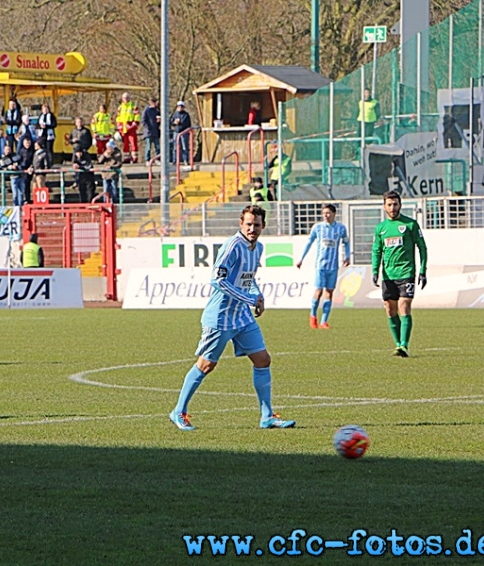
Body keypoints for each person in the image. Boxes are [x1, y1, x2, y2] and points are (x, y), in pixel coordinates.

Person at [169, 205, 295, 431]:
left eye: (256, 225)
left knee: (262, 359)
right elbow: (218, 279)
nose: (252, 229)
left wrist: (257, 296)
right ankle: (179, 411)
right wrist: (248, 298)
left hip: (242, 318)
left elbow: (249, 278)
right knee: (206, 365)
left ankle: (267, 416)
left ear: (263, 226)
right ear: (241, 224)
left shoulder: (258, 248)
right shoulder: (233, 246)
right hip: (220, 317)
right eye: (248, 224)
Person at [372, 190, 428, 357]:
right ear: (384, 206)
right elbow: (377, 251)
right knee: (390, 309)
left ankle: (404, 345)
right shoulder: (380, 228)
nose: (392, 207)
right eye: (389, 204)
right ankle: (397, 344)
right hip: (388, 275)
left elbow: (422, 247)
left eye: (395, 204)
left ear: (400, 205)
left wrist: (423, 271)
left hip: (406, 272)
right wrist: (375, 271)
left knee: (404, 306)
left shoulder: (410, 225)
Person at [295, 204, 350, 329]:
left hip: (333, 266)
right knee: (318, 292)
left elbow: (346, 243)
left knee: (329, 293)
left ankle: (324, 321)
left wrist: (347, 256)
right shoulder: (318, 228)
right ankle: (313, 315)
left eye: (328, 213)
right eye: (324, 213)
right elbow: (309, 242)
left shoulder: (341, 228)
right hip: (321, 265)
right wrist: (301, 259)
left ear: (334, 214)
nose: (325, 215)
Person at [115, 93, 140, 163]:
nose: (125, 99)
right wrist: (119, 126)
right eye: (124, 98)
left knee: (133, 142)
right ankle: (127, 157)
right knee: (125, 143)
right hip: (123, 127)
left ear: (129, 98)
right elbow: (118, 117)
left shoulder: (133, 106)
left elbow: (137, 115)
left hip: (131, 125)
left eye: (127, 98)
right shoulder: (120, 107)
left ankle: (134, 157)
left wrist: (134, 124)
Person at [141, 98, 161, 162]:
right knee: (148, 147)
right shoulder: (146, 110)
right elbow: (143, 121)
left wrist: (158, 122)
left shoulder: (157, 111)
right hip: (149, 132)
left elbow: (159, 120)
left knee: (157, 147)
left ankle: (157, 159)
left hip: (156, 131)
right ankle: (147, 159)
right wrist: (148, 128)